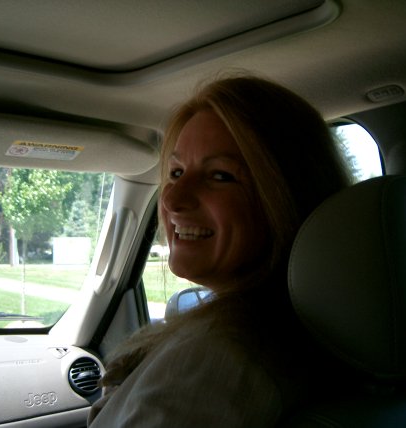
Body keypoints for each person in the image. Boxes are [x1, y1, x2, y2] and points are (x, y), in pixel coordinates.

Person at [88, 73, 353, 427]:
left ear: (287, 198)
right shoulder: (314, 340)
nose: (171, 199)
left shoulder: (216, 356)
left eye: (220, 175)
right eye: (176, 172)